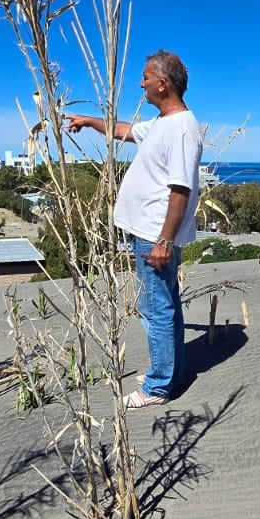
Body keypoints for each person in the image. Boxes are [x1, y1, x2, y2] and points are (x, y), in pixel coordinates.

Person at [66, 50, 203, 408]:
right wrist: (88, 120)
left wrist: (163, 240)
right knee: (165, 303)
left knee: (157, 307)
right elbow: (124, 131)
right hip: (148, 232)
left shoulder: (182, 129)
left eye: (145, 76)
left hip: (154, 235)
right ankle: (170, 371)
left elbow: (180, 190)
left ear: (162, 83)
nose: (140, 83)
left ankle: (158, 386)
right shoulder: (163, 123)